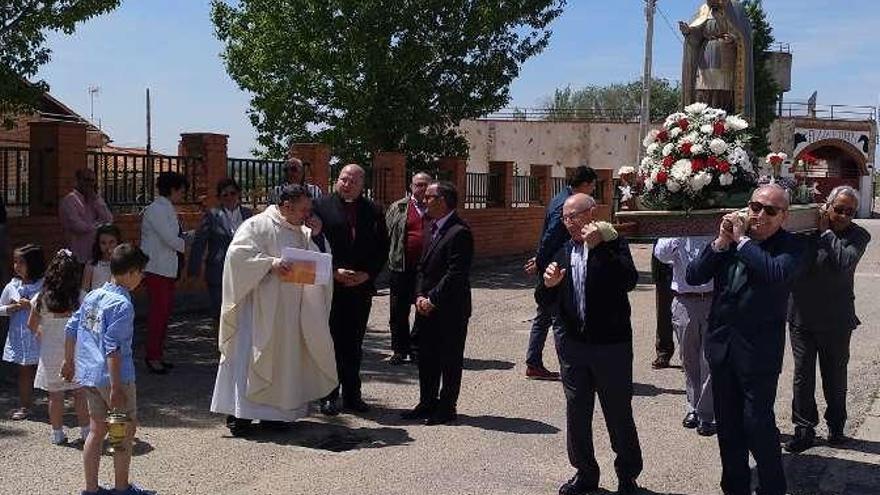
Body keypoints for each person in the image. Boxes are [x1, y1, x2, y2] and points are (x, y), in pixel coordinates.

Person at [686, 184, 805, 495]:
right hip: (722, 349)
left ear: (784, 217)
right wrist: (721, 242)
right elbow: (694, 276)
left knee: (758, 426)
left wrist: (740, 243)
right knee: (728, 428)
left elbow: (776, 274)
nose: (759, 215)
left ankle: (772, 488)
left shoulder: (791, 246)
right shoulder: (731, 243)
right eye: (755, 206)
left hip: (758, 353)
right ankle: (734, 487)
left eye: (770, 210)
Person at [211, 184, 337, 436]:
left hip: (290, 312)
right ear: (287, 206)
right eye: (303, 209)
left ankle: (276, 415)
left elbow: (319, 264)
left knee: (284, 360)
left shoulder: (303, 232)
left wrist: (318, 236)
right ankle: (241, 415)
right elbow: (237, 257)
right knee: (249, 359)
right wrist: (270, 264)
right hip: (256, 310)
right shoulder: (256, 226)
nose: (307, 214)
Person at [537, 194, 642, 495]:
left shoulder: (613, 245)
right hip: (574, 347)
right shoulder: (562, 251)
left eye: (575, 215)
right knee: (577, 412)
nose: (570, 222)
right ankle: (585, 473)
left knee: (618, 412)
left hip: (611, 345)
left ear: (592, 213)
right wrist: (547, 286)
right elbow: (543, 301)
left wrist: (599, 248)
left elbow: (628, 281)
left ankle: (627, 476)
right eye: (565, 218)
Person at [785, 185, 871, 453]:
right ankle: (803, 429)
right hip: (801, 316)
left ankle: (836, 427)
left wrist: (826, 232)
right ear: (828, 206)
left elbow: (845, 260)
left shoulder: (859, 236)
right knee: (803, 376)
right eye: (839, 209)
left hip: (836, 320)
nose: (844, 215)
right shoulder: (807, 230)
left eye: (850, 211)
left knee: (834, 376)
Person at [62, 243, 152, 495]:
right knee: (122, 433)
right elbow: (113, 348)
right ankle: (122, 489)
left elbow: (71, 328)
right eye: (141, 272)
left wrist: (68, 361)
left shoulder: (92, 296)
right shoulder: (123, 305)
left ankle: (91, 489)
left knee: (96, 430)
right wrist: (115, 387)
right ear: (131, 272)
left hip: (89, 376)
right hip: (115, 379)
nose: (142, 278)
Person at [312, 164, 389, 415]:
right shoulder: (320, 206)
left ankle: (353, 396)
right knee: (329, 342)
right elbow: (311, 244)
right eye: (344, 179)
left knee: (354, 344)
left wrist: (367, 274)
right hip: (329, 285)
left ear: (362, 185)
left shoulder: (374, 210)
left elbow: (382, 248)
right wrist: (333, 270)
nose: (347, 184)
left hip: (360, 288)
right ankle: (328, 395)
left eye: (353, 181)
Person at [401, 181, 473, 425]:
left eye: (429, 197)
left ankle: (446, 407)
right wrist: (419, 295)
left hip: (449, 309)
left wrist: (433, 298)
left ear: (442, 201)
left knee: (449, 359)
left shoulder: (460, 232)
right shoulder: (431, 226)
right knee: (426, 357)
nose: (423, 200)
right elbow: (422, 267)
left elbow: (456, 274)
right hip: (426, 306)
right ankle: (427, 402)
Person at [523, 166, 597, 380]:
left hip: (552, 263)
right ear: (584, 184)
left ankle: (536, 362)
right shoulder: (567, 204)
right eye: (592, 186)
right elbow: (552, 234)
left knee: (545, 315)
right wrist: (540, 260)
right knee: (554, 315)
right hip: (556, 266)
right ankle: (551, 364)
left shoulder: (561, 197)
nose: (592, 191)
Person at [654, 236, 716, 436]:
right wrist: (678, 235)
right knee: (689, 361)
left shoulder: (712, 228)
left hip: (712, 299)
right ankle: (693, 408)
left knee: (709, 361)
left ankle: (706, 414)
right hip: (684, 301)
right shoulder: (676, 232)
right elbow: (661, 255)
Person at [27, 249, 90, 445]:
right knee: (80, 393)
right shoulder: (80, 297)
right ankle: (86, 432)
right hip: (75, 352)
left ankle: (57, 433)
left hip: (50, 353)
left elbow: (31, 325)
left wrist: (42, 335)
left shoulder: (41, 298)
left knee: (55, 395)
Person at [140, 171, 192, 374]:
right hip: (156, 269)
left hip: (166, 269)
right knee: (158, 314)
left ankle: (158, 354)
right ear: (172, 190)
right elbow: (170, 239)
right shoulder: (156, 209)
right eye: (181, 191)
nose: (182, 195)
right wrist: (186, 242)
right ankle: (152, 356)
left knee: (164, 313)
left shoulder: (167, 209)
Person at [188, 179, 254, 320]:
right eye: (225, 195)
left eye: (233, 193)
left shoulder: (248, 215)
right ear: (219, 198)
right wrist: (194, 270)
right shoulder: (212, 216)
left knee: (244, 314)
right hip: (218, 271)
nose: (229, 197)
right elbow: (199, 243)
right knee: (221, 313)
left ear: (239, 194)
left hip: (244, 271)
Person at [385, 171, 432, 364]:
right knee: (398, 310)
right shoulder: (399, 207)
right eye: (418, 184)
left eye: (425, 185)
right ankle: (399, 349)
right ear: (411, 187)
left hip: (427, 269)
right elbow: (386, 233)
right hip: (401, 266)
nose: (421, 188)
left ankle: (416, 348)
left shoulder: (436, 207)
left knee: (424, 309)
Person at [1, 244, 46, 420]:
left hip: (40, 333)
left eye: (21, 262)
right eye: (15, 262)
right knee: (24, 371)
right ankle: (25, 405)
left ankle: (54, 403)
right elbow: (1, 307)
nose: (17, 266)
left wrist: (32, 305)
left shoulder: (44, 285)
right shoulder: (12, 285)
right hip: (20, 335)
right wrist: (11, 308)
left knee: (46, 369)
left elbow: (52, 306)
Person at [59, 168, 114, 265]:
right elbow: (78, 227)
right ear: (77, 181)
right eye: (86, 180)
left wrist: (96, 200)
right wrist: (99, 226)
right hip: (77, 257)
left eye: (92, 180)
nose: (90, 184)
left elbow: (109, 220)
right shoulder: (70, 201)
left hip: (94, 258)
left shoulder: (95, 200)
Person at [650, 252, 676, 369]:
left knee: (691, 311)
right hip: (664, 268)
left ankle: (690, 354)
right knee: (663, 312)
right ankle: (664, 352)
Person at [82, 224, 122, 294]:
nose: (107, 247)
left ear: (117, 242)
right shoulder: (92, 265)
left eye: (111, 242)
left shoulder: (123, 264)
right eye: (103, 243)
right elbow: (84, 290)